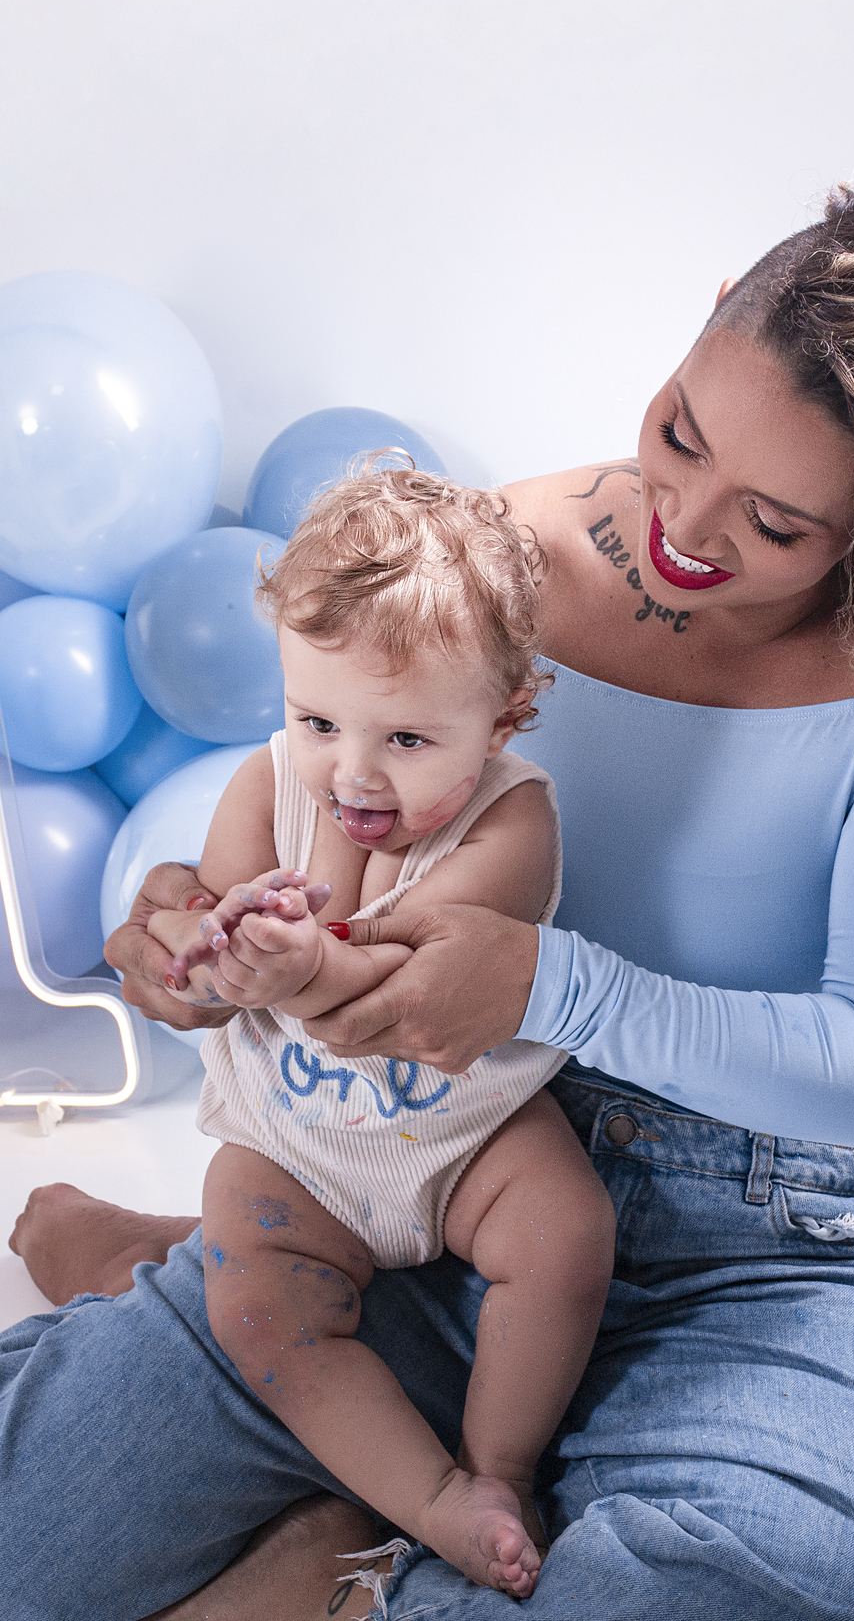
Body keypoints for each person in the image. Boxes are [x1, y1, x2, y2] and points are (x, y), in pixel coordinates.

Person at [2, 183, 854, 1621]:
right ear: (708, 317)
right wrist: (187, 919)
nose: (686, 524)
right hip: (411, 1165)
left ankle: (339, 1566)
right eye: (682, 431)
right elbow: (317, 792)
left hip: (762, 1248)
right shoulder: (485, 567)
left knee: (826, 1597)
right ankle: (225, 1307)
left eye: (775, 522)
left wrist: (546, 984)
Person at [143, 467, 615, 1597]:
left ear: (503, 717)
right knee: (254, 1302)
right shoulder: (267, 786)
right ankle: (431, 1498)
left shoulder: (517, 822)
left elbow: (402, 982)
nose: (351, 771)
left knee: (568, 1231)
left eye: (406, 738)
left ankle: (500, 1467)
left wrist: (303, 964)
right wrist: (205, 946)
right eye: (318, 721)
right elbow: (213, 918)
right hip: (294, 1138)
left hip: (462, 1124)